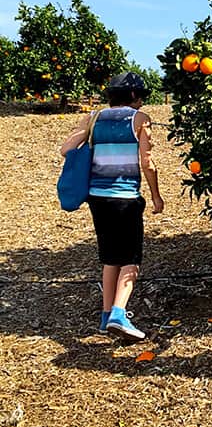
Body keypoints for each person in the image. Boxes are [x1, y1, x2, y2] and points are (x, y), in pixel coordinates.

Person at [60, 72, 164, 340]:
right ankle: (119, 313)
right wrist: (155, 196)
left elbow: (66, 149)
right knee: (131, 259)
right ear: (132, 95)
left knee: (110, 258)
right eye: (140, 95)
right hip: (125, 199)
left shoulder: (93, 118)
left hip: (97, 198)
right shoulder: (140, 119)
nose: (141, 101)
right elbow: (147, 163)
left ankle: (106, 316)